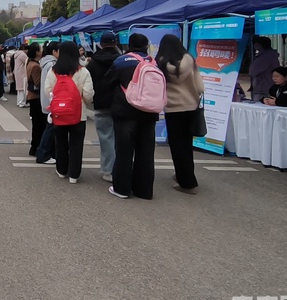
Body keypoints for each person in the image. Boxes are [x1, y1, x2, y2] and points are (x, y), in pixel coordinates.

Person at [104, 33, 159, 200]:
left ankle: (122, 188)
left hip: (125, 112)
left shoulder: (122, 61)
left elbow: (108, 82)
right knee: (146, 152)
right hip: (149, 112)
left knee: (124, 151)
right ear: (145, 45)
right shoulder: (153, 62)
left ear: (129, 44)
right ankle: (144, 190)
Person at [156, 34, 205, 195]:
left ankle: (187, 183)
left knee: (177, 147)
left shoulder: (161, 64)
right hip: (191, 107)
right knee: (187, 145)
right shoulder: (189, 60)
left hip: (173, 109)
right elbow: (200, 87)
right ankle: (186, 175)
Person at [46, 41, 94, 183]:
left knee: (60, 142)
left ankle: (61, 170)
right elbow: (88, 94)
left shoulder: (53, 71)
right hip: (78, 114)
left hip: (59, 113)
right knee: (76, 144)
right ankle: (74, 175)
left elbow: (47, 91)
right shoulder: (83, 71)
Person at [87, 32, 122, 182]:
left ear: (101, 44)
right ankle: (121, 168)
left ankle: (108, 169)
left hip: (101, 102)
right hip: (121, 104)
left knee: (105, 137)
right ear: (115, 43)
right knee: (120, 138)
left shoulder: (93, 62)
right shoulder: (122, 60)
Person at [35, 41, 59, 164]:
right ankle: (43, 154)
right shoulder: (52, 64)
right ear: (54, 51)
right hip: (51, 101)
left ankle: (47, 153)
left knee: (49, 128)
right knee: (50, 129)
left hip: (46, 99)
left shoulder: (45, 62)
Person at [25, 43, 46, 156]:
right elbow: (38, 83)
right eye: (41, 49)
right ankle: (35, 147)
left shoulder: (30, 63)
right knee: (39, 124)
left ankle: (35, 146)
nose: (42, 51)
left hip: (32, 97)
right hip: (36, 98)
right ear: (37, 52)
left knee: (36, 124)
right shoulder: (36, 66)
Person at [249, 37, 280, 102]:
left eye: (256, 43)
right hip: (268, 85)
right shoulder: (270, 55)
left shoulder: (264, 56)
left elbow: (253, 71)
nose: (254, 45)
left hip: (263, 87)